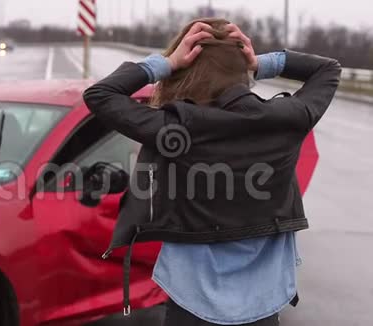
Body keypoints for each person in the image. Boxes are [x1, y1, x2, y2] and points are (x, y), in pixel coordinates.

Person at [83, 18, 341, 326]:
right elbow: (328, 69)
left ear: (186, 74)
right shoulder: (288, 119)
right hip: (263, 303)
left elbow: (100, 95)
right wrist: (259, 62)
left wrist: (166, 62)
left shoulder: (178, 128)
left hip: (190, 304)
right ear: (243, 72)